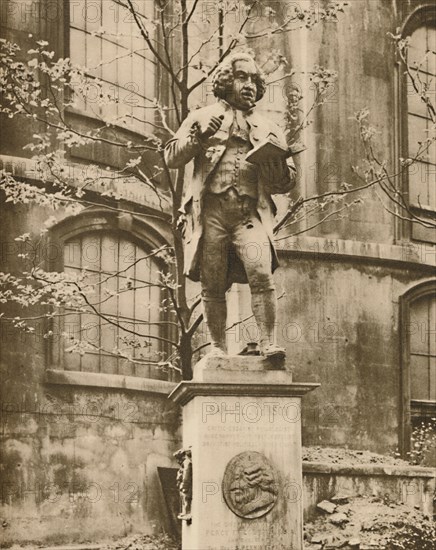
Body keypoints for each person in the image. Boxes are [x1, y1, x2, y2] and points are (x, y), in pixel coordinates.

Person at [164, 53, 296, 359]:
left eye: (253, 79)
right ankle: (218, 349)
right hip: (212, 213)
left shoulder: (268, 126)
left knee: (261, 274)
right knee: (212, 282)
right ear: (226, 81)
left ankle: (269, 343)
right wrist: (198, 138)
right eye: (241, 77)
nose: (248, 84)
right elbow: (171, 157)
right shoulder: (201, 117)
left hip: (249, 213)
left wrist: (277, 168)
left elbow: (286, 180)